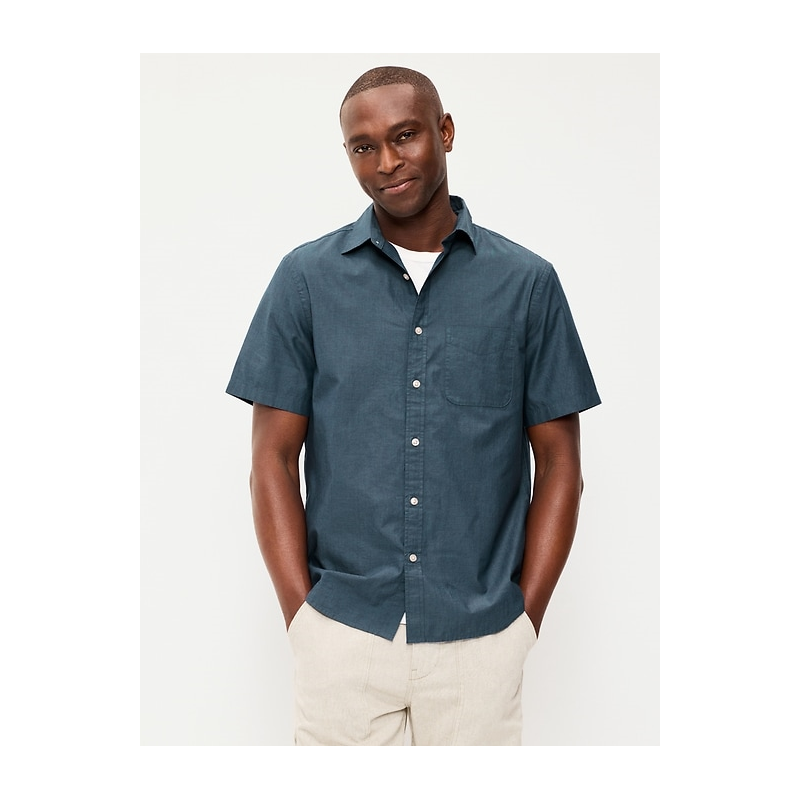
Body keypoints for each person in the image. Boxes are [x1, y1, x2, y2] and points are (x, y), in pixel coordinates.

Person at [226, 65, 601, 746]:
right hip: (344, 634)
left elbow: (560, 466)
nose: (386, 162)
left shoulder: (527, 284)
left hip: (479, 639)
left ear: (445, 131)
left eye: (404, 136)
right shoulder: (305, 280)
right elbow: (271, 461)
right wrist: (304, 619)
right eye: (363, 146)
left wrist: (523, 623)